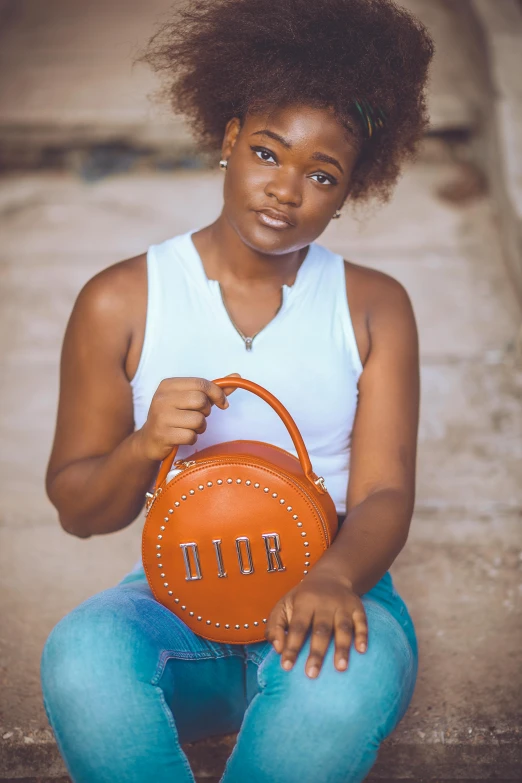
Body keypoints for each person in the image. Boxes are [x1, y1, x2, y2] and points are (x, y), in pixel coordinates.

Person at [40, 1, 434, 781]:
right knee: (81, 653)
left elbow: (386, 490)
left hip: (333, 594)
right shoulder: (121, 300)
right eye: (267, 152)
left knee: (336, 688)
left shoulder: (373, 305)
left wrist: (333, 577)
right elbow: (81, 508)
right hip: (180, 604)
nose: (286, 190)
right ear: (228, 139)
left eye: (321, 175)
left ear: (351, 189)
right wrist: (146, 445)